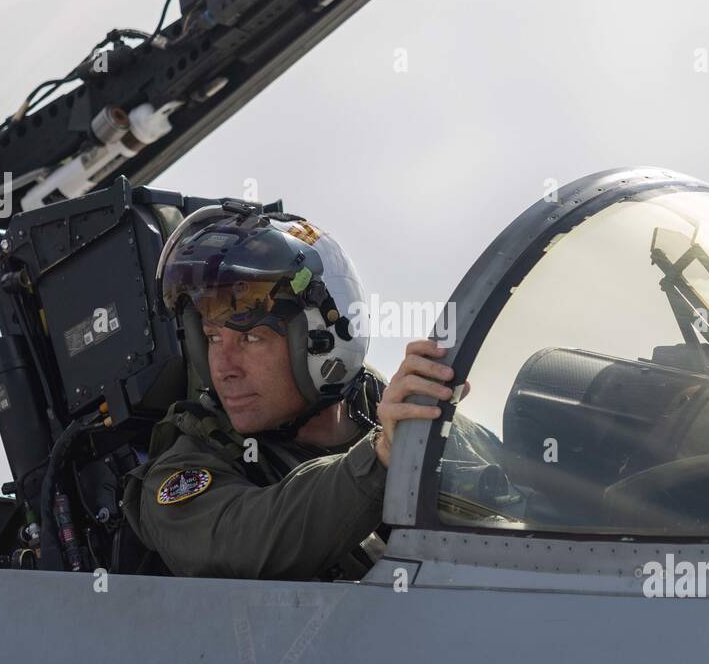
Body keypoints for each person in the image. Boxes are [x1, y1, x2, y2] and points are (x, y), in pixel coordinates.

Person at [120, 199, 458, 581]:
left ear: (321, 341)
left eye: (250, 337)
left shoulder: (384, 403)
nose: (223, 368)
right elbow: (248, 544)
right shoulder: (180, 471)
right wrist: (381, 456)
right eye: (213, 338)